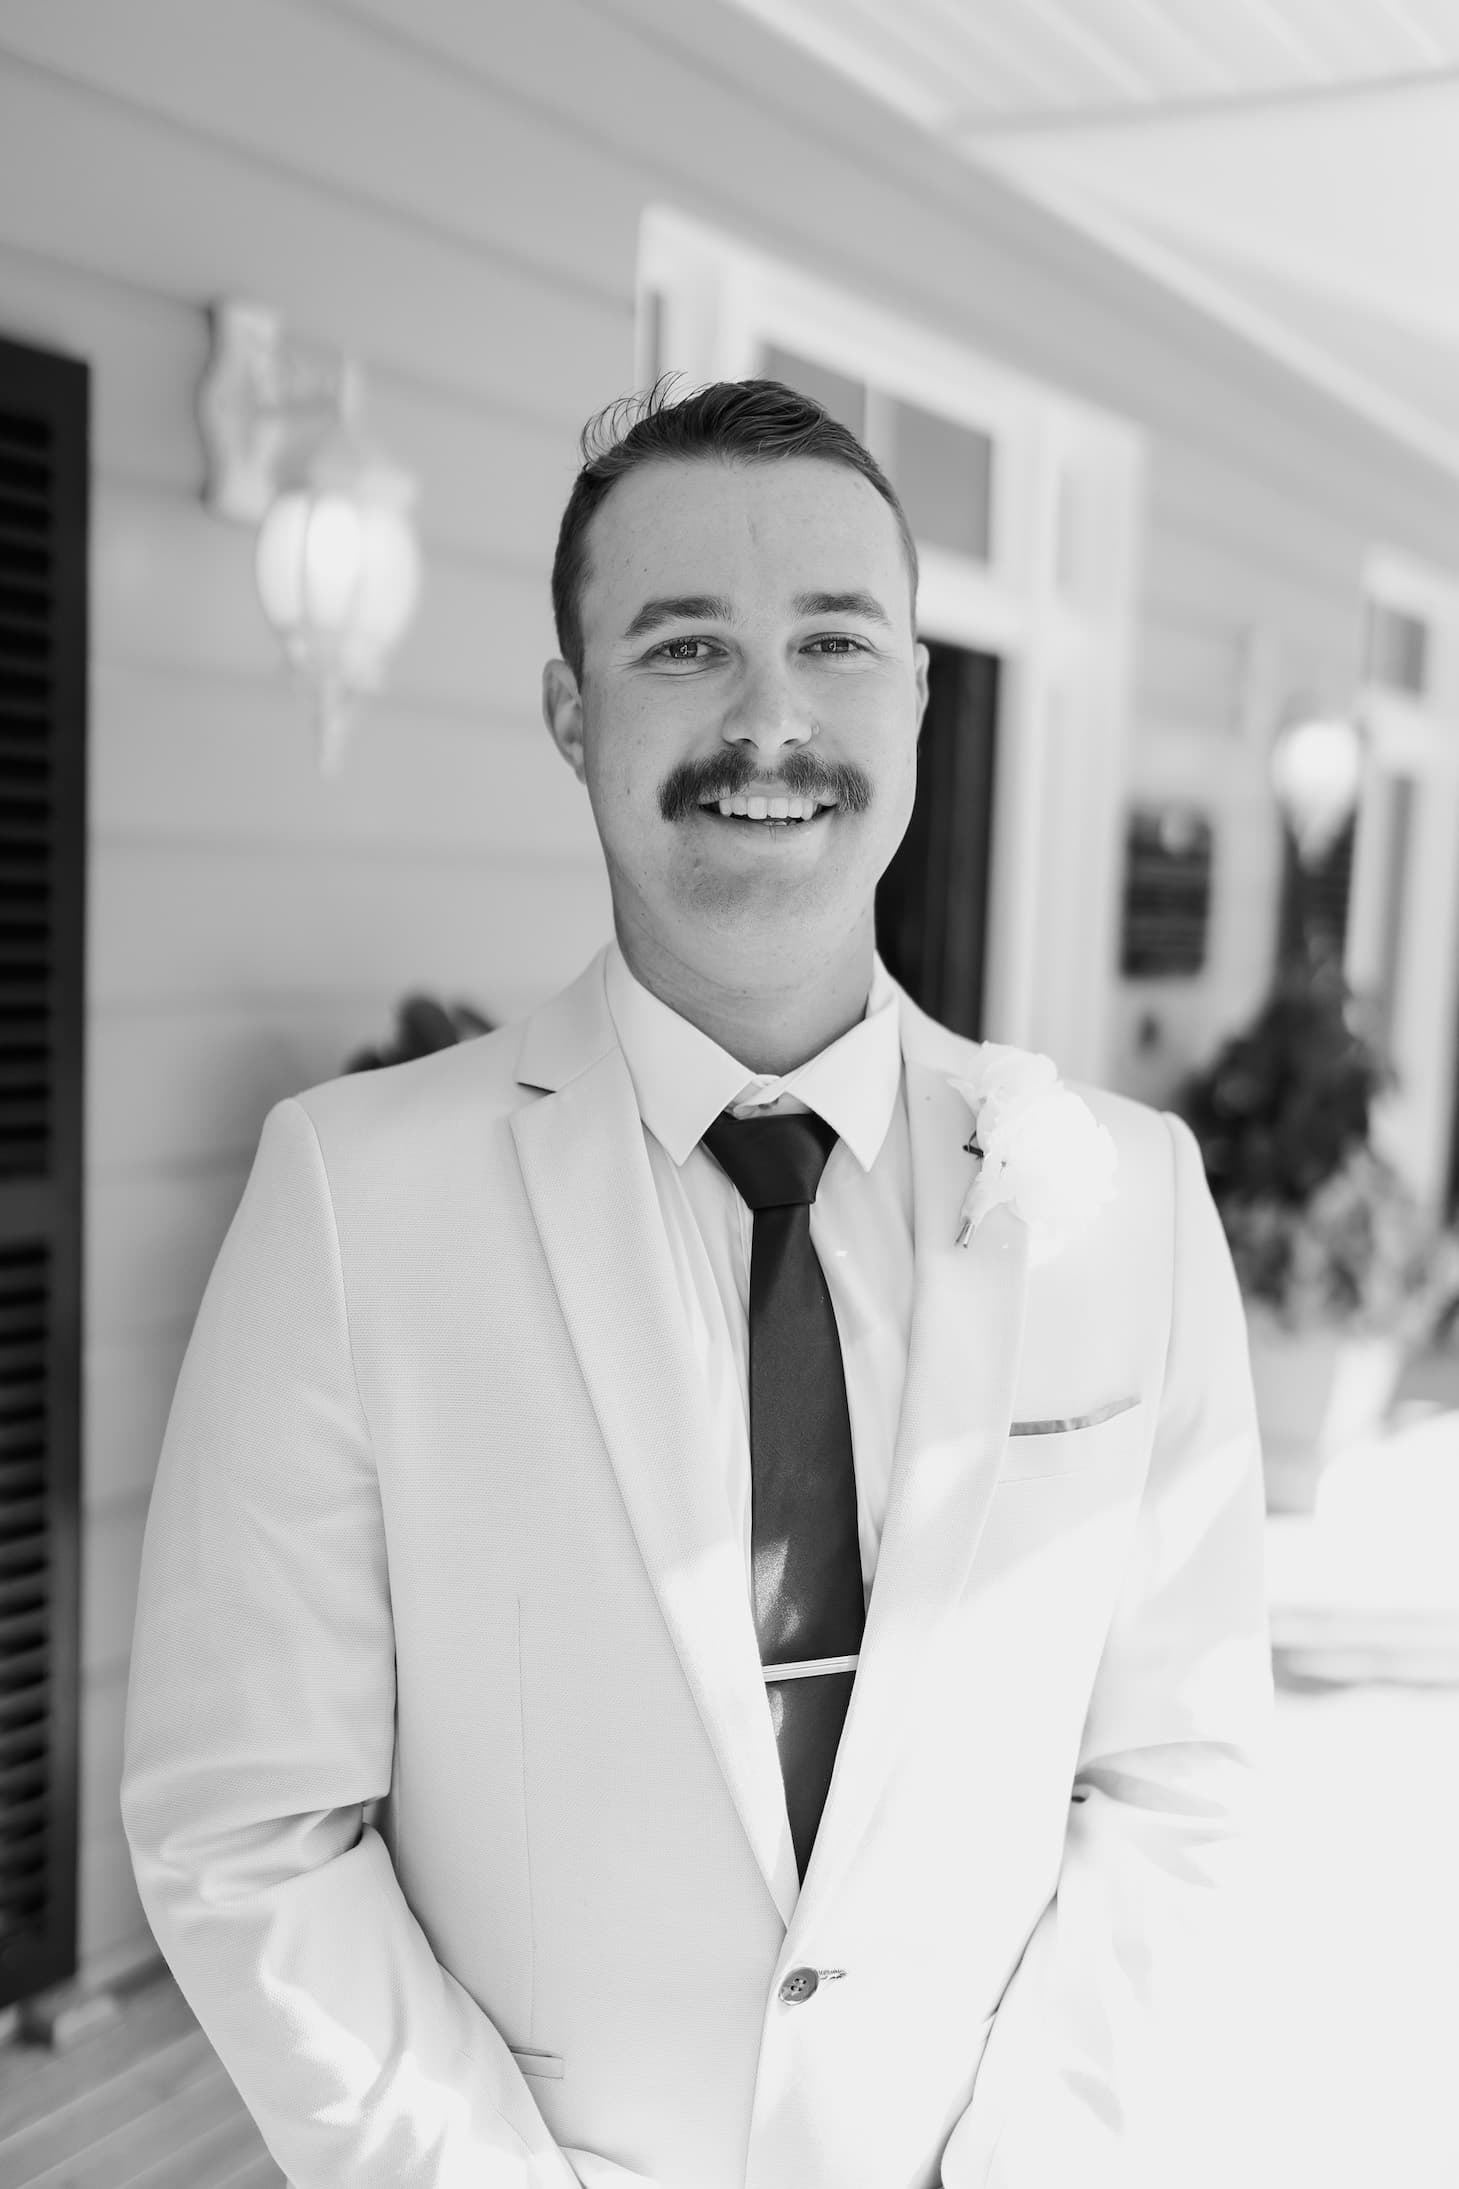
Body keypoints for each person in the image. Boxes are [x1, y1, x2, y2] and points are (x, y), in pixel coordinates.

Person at [121, 378, 1273, 2189]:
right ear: (572, 713)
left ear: (913, 694)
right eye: (684, 647)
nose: (770, 719)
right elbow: (245, 1825)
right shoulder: (352, 1197)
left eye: (834, 640)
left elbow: (1179, 1777)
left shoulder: (1130, 1204)